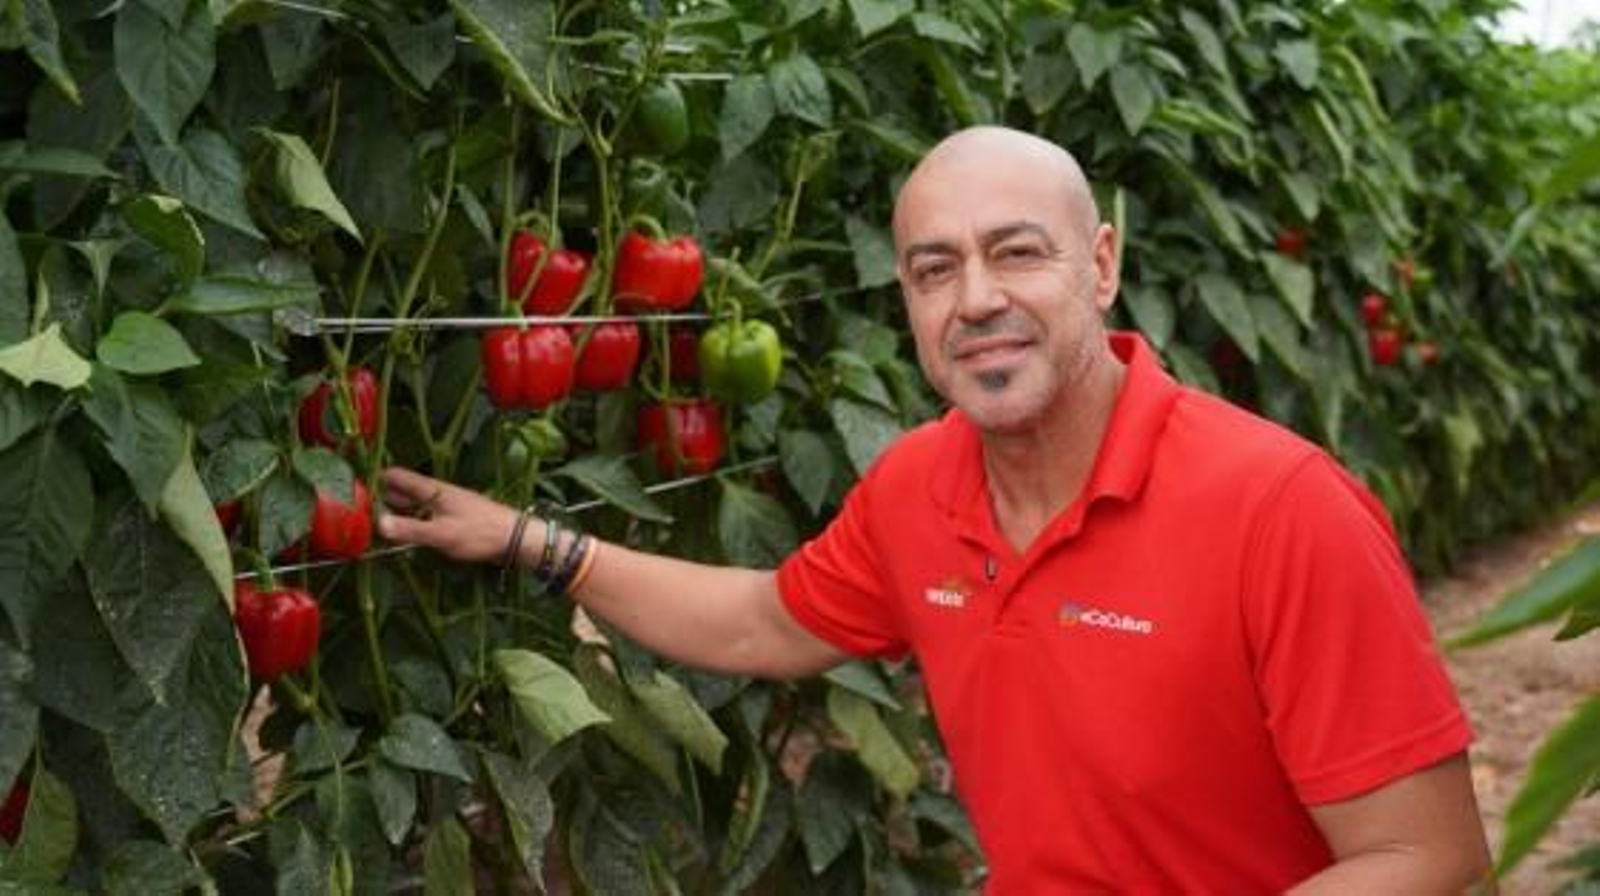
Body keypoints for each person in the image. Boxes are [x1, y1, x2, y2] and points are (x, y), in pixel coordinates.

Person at [379, 126, 1492, 892]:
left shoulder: (1280, 508)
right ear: (906, 296)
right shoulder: (920, 484)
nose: (978, 300)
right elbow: (762, 620)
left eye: (1016, 252)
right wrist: (528, 540)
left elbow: (1429, 856)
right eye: (933, 268)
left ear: (1100, 265)